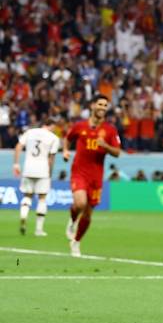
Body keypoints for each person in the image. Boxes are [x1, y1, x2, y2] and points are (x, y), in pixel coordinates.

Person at [63, 94, 121, 257]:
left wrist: (106, 146)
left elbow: (117, 153)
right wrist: (66, 150)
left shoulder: (110, 130)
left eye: (105, 105)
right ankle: (72, 221)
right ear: (92, 106)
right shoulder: (80, 126)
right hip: (79, 172)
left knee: (88, 212)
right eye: (100, 104)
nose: (102, 108)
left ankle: (76, 242)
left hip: (96, 176)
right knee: (80, 203)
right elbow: (67, 139)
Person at [12, 118, 60, 236]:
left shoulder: (30, 132)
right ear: (50, 125)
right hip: (43, 169)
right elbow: (51, 158)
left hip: (28, 168)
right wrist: (50, 173)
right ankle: (39, 230)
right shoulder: (53, 138)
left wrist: (16, 164)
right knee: (42, 198)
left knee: (27, 195)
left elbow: (18, 146)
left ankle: (23, 215)